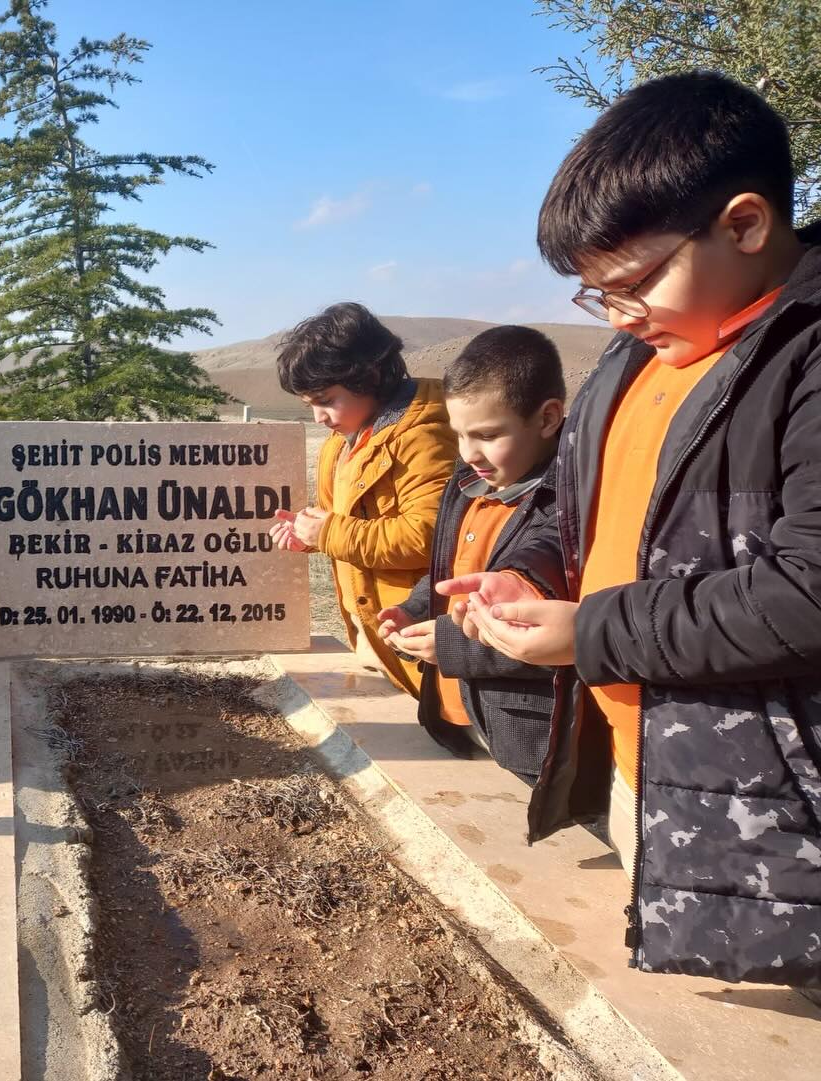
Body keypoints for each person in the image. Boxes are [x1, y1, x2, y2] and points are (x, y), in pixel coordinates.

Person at [439, 72, 821, 986]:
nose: (616, 313)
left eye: (634, 282)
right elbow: (576, 513)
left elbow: (806, 592)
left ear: (745, 224)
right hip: (646, 777)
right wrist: (533, 574)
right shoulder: (632, 355)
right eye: (596, 293)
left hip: (781, 819)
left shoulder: (805, 354)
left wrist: (594, 631)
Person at [376, 326, 565, 783]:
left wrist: (452, 645)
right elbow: (451, 570)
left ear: (547, 418)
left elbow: (563, 633)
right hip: (455, 719)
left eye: (487, 434)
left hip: (528, 747)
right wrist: (414, 608)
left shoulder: (567, 505)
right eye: (459, 435)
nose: (469, 453)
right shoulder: (467, 481)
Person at [270, 302, 456, 696]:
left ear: (369, 376)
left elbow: (431, 536)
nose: (319, 417)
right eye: (310, 405)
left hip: (418, 639)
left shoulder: (422, 436)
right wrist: (311, 537)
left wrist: (330, 533)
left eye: (326, 400)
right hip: (374, 639)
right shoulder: (341, 442)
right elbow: (349, 523)